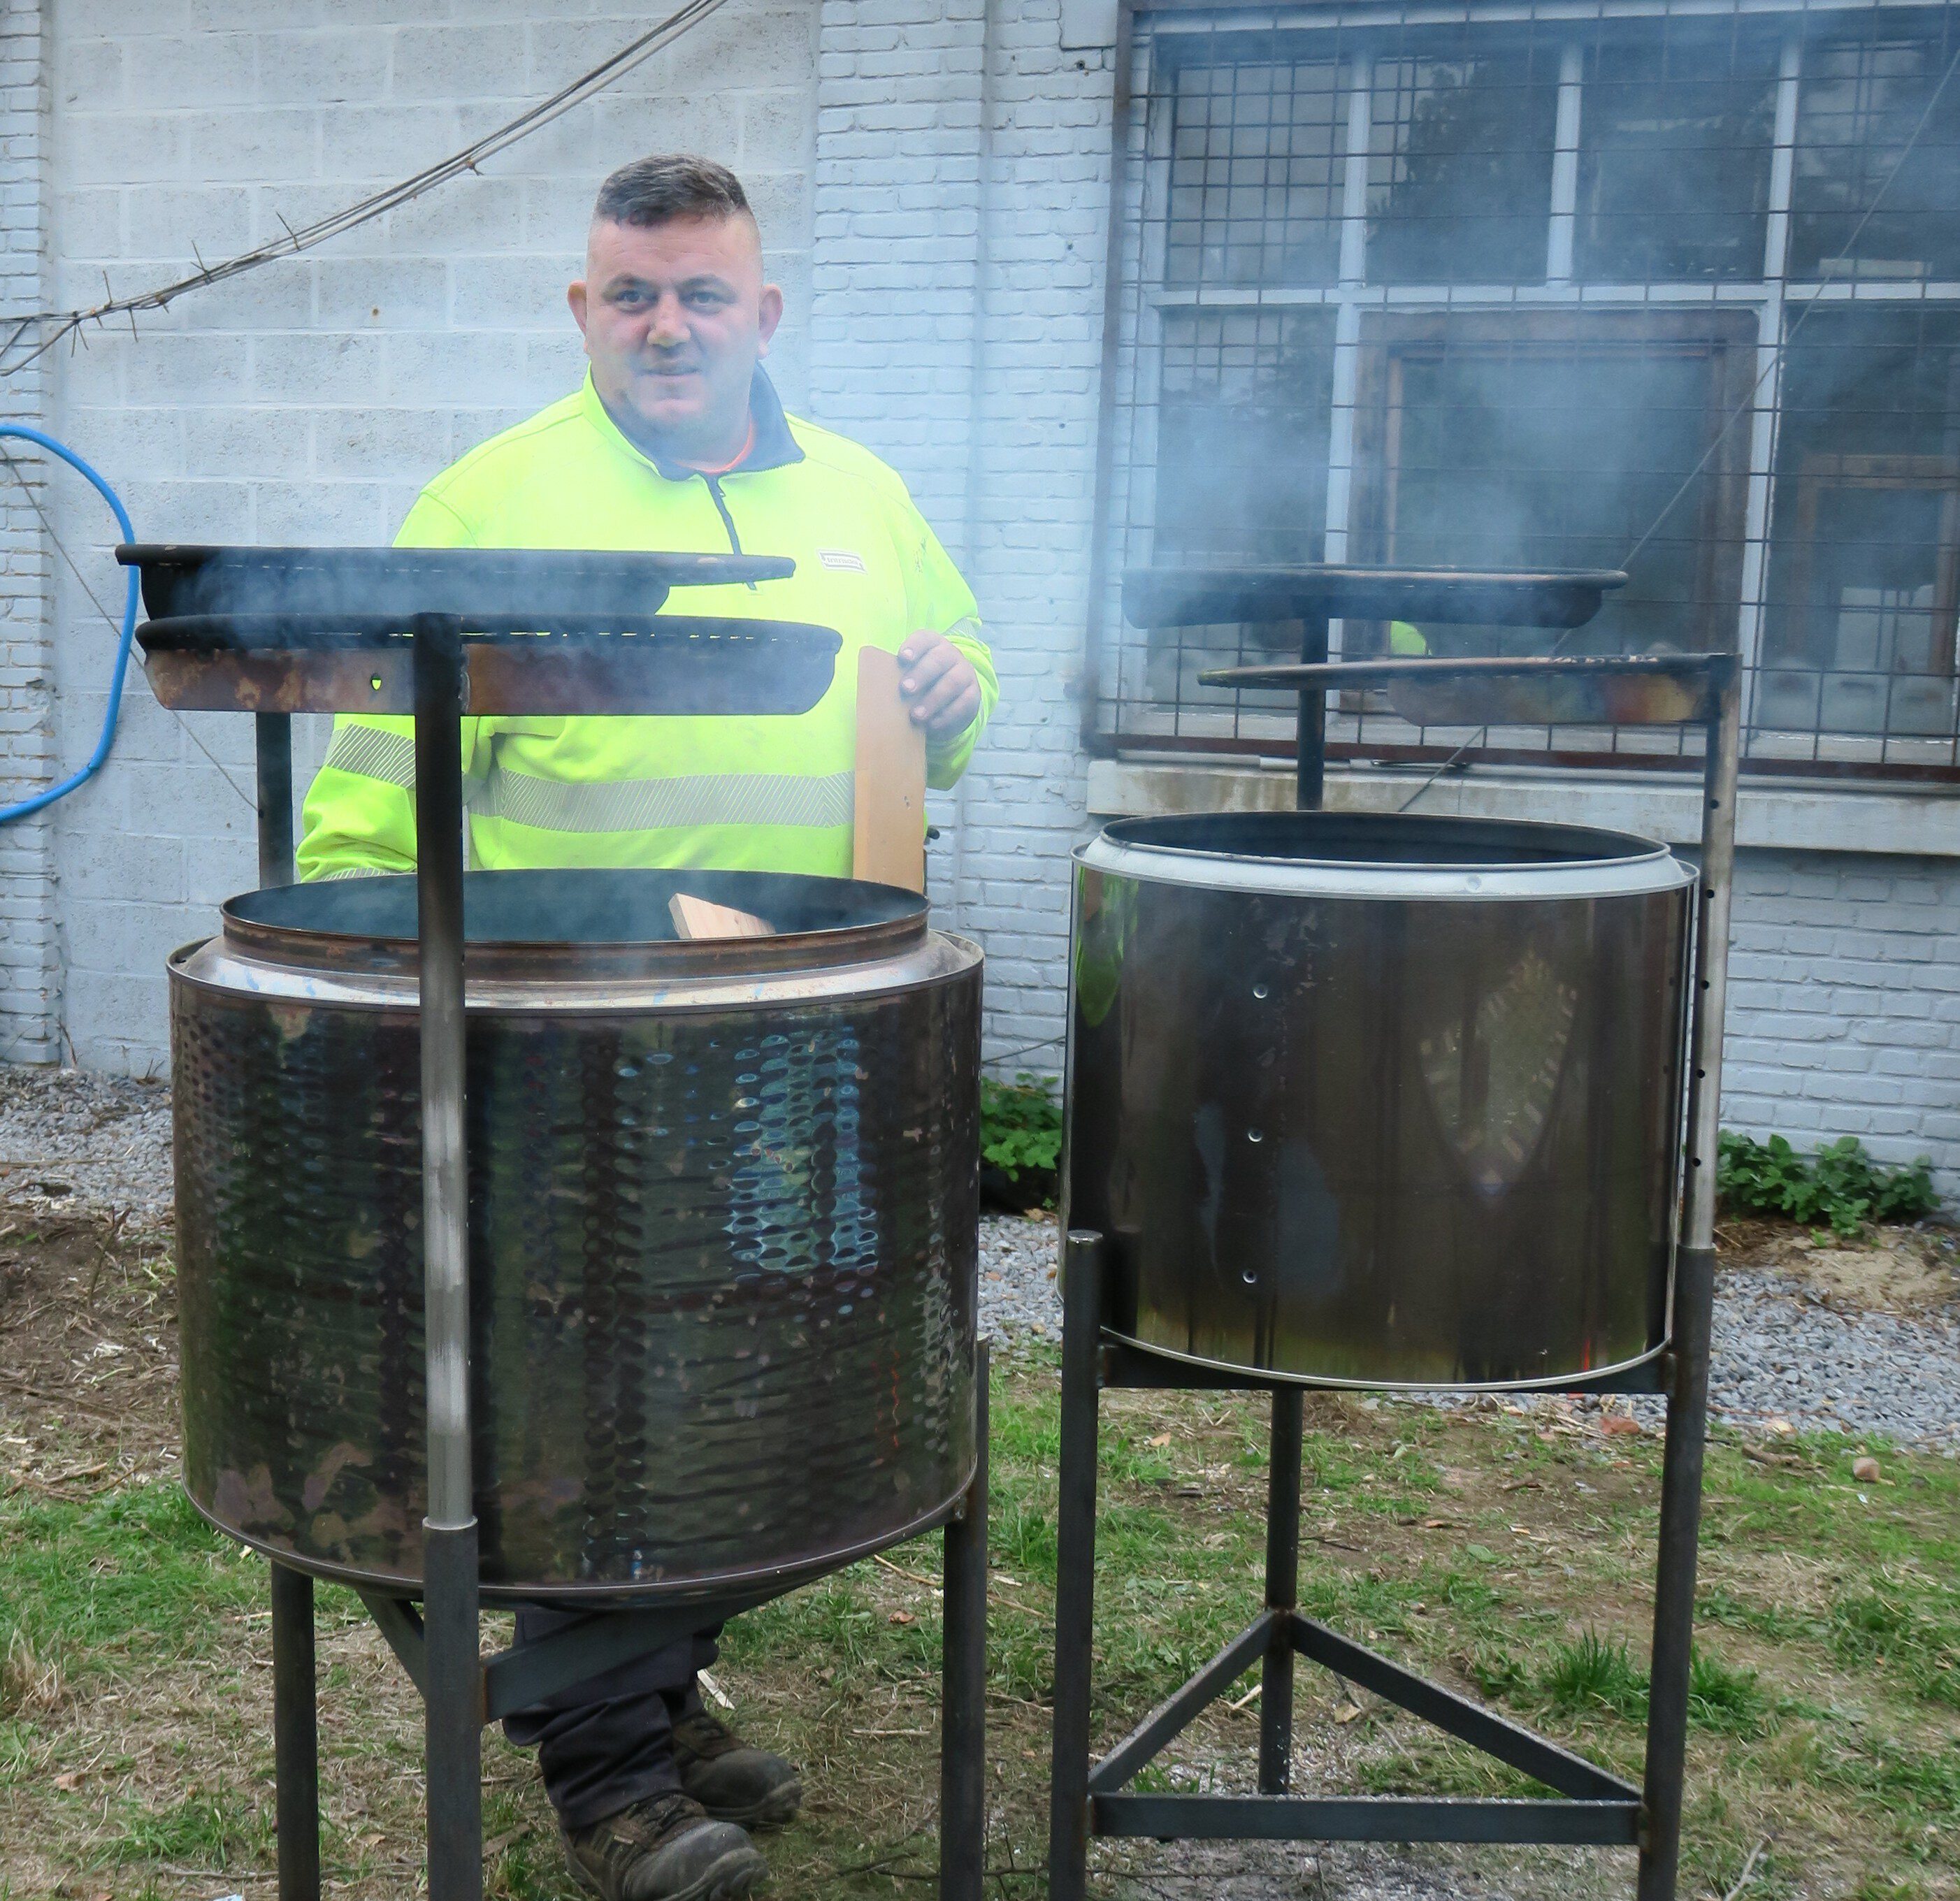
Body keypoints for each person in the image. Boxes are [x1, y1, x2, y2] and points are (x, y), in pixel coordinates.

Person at [298, 154, 997, 1901]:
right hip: (566, 1041)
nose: (667, 327)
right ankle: (611, 1776)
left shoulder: (862, 492)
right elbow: (373, 805)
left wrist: (958, 690)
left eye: (701, 294)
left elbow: (947, 687)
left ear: (764, 311)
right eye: (633, 294)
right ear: (583, 311)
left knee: (763, 1380)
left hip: (796, 1030)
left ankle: (646, 1694)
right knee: (598, 1401)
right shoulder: (487, 504)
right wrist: (381, 1010)